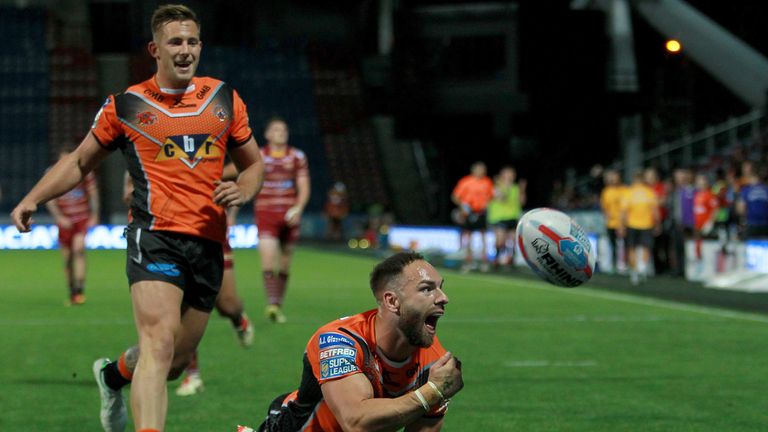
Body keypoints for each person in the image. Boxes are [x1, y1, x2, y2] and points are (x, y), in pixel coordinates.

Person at [11, 5, 264, 432]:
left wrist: (244, 189)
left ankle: (111, 377)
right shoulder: (126, 106)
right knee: (159, 343)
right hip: (155, 237)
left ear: (200, 46)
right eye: (175, 42)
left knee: (174, 363)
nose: (185, 50)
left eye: (191, 42)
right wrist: (33, 198)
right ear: (155, 49)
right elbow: (78, 163)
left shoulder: (224, 98)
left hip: (208, 242)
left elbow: (253, 164)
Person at [249, 252, 463, 432]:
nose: (443, 297)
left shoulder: (435, 363)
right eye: (427, 289)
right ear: (392, 301)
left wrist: (434, 392)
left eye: (441, 287)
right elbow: (355, 421)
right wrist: (432, 391)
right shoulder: (339, 340)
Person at [125, 168, 256, 397]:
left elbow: (244, 166)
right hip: (165, 241)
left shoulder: (208, 142)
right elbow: (128, 189)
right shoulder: (147, 146)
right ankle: (193, 376)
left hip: (209, 235)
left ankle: (238, 318)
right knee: (174, 316)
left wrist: (202, 173)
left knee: (227, 304)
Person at [254, 117, 310, 323]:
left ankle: (278, 304)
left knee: (285, 265)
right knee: (268, 261)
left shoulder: (297, 156)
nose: (281, 132)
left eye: (284, 129)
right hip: (266, 214)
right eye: (276, 129)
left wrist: (298, 208)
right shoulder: (259, 156)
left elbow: (304, 185)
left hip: (289, 215)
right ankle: (271, 304)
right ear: (267, 134)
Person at [44, 149, 100, 305]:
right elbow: (49, 198)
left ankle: (80, 290)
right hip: (65, 221)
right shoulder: (52, 173)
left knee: (79, 250)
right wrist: (59, 217)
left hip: (81, 218)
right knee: (68, 259)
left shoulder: (84, 171)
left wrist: (94, 215)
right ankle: (72, 289)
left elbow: (93, 194)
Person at [451, 161, 494, 272]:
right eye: (479, 169)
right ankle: (468, 261)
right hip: (469, 213)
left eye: (483, 169)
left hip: (481, 212)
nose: (481, 171)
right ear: (473, 170)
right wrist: (463, 207)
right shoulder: (465, 182)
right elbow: (455, 196)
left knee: (483, 236)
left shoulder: (487, 182)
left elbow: (491, 197)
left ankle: (484, 262)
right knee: (468, 236)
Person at [620, 171, 660, 285]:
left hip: (632, 224)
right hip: (646, 224)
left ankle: (634, 272)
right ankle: (642, 268)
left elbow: (623, 212)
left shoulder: (629, 192)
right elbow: (655, 211)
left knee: (631, 248)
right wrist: (657, 224)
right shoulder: (649, 192)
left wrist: (622, 226)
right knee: (646, 247)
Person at [487, 166, 525, 268]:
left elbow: (522, 202)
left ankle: (510, 260)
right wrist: (506, 187)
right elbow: (502, 198)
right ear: (502, 175)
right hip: (499, 217)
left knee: (512, 240)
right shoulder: (496, 186)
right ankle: (496, 259)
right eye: (508, 174)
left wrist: (522, 190)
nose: (510, 176)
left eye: (512, 174)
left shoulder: (516, 188)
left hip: (513, 217)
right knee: (500, 240)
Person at [668, 168, 695, 277]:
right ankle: (678, 270)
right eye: (677, 177)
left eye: (681, 177)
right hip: (675, 223)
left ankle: (687, 270)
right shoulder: (674, 191)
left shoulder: (691, 190)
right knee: (676, 247)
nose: (679, 179)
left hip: (688, 224)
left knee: (687, 248)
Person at [599, 169, 625, 273]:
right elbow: (604, 206)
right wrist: (606, 215)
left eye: (615, 178)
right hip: (611, 223)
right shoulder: (606, 191)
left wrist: (622, 223)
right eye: (612, 178)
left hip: (622, 223)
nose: (613, 180)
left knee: (622, 245)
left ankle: (622, 265)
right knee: (611, 244)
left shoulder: (624, 190)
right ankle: (612, 265)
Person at [692, 173, 719, 262]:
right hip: (698, 226)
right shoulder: (696, 195)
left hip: (706, 227)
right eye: (699, 182)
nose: (700, 184)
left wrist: (710, 223)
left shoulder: (710, 195)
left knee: (707, 247)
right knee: (698, 245)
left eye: (702, 182)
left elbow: (715, 209)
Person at [737, 168, 768, 239]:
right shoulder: (766, 189)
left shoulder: (746, 190)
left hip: (752, 223)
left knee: (752, 247)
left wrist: (744, 218)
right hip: (766, 224)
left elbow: (741, 208)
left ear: (752, 178)